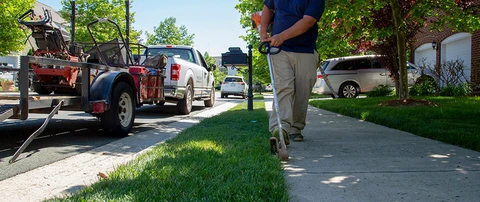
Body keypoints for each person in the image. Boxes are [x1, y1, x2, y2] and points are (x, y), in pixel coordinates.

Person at [260, 0, 326, 143]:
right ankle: (280, 127)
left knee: (303, 90)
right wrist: (263, 31)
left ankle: (295, 128)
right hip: (279, 50)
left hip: (305, 49)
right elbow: (267, 9)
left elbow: (308, 21)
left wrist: (281, 36)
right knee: (283, 87)